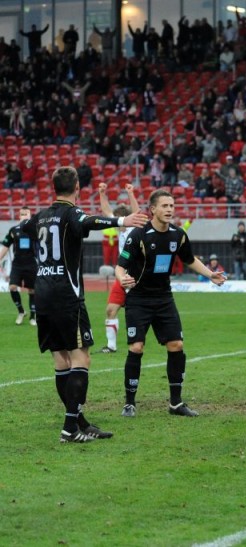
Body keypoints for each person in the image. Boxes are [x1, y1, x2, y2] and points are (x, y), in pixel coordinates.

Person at [19, 166, 147, 443]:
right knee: (81, 358)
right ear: (77, 187)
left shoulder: (40, 216)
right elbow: (90, 221)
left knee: (60, 360)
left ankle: (79, 422)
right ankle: (69, 428)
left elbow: (21, 228)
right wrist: (123, 222)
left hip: (42, 294)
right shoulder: (72, 213)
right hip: (66, 296)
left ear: (54, 187)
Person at [115, 189, 226, 418]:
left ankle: (176, 404)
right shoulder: (138, 235)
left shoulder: (178, 235)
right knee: (136, 347)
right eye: (164, 206)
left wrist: (210, 275)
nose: (169, 210)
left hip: (164, 298)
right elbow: (120, 266)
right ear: (153, 209)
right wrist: (121, 278)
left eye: (172, 206)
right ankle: (129, 402)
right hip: (138, 298)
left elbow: (190, 259)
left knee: (176, 345)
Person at [97, 182, 140, 354]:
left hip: (135, 276)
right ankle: (111, 346)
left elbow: (136, 212)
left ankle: (141, 341)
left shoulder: (133, 228)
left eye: (117, 220)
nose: (114, 224)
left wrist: (130, 193)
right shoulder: (120, 230)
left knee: (138, 313)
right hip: (121, 275)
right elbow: (106, 212)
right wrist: (102, 193)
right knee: (110, 309)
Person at [0, 206, 37, 326]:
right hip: (17, 264)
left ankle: (32, 316)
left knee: (32, 290)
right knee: (12, 287)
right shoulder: (13, 230)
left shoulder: (36, 229)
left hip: (31, 263)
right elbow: (5, 247)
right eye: (22, 214)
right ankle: (21, 312)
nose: (24, 216)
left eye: (26, 214)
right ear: (19, 216)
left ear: (30, 216)